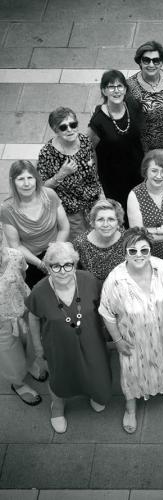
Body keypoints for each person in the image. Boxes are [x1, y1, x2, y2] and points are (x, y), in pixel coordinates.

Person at [99, 228, 163, 434]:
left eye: (144, 250)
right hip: (133, 339)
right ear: (125, 253)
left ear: (150, 250)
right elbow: (107, 313)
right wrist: (118, 340)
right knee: (132, 372)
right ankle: (130, 407)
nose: (139, 255)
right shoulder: (115, 280)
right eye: (133, 251)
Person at [26, 242, 112, 433]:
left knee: (95, 371)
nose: (62, 271)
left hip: (92, 341)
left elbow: (104, 306)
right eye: (55, 266)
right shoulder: (39, 290)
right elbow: (33, 317)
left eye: (68, 265)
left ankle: (94, 394)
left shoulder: (89, 280)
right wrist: (38, 346)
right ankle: (57, 406)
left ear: (75, 264)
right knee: (60, 376)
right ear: (47, 267)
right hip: (58, 344)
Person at [37, 107, 103, 239]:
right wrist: (61, 174)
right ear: (55, 130)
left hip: (93, 202)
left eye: (73, 124)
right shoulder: (47, 153)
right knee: (80, 242)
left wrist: (101, 194)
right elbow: (42, 187)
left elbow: (94, 169)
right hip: (71, 210)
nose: (69, 129)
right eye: (63, 127)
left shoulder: (84, 141)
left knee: (100, 237)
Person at [2, 161, 70, 288]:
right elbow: (16, 245)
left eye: (30, 178)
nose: (26, 184)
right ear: (13, 182)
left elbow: (64, 228)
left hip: (56, 249)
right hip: (31, 259)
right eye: (20, 179)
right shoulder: (7, 209)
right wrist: (41, 264)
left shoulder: (49, 195)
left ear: (36, 179)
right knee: (39, 289)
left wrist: (53, 252)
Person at [86, 69, 144, 213]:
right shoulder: (98, 120)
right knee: (120, 214)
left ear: (125, 89)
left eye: (120, 86)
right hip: (113, 178)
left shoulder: (133, 106)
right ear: (104, 91)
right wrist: (96, 181)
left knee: (139, 211)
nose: (116, 91)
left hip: (137, 172)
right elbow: (88, 149)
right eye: (111, 87)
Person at [126, 41, 163, 166]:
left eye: (156, 60)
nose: (151, 64)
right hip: (147, 149)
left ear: (162, 62)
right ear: (140, 62)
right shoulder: (129, 86)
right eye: (146, 60)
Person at [0, 243, 43, 406]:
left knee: (31, 343)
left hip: (25, 310)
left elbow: (22, 277)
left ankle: (30, 365)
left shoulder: (15, 255)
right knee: (10, 356)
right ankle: (18, 383)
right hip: (2, 322)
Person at [73, 198, 127, 281]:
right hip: (91, 287)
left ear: (118, 222)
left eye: (111, 219)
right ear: (93, 223)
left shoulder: (127, 239)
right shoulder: (80, 243)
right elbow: (75, 275)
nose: (105, 224)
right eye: (100, 219)